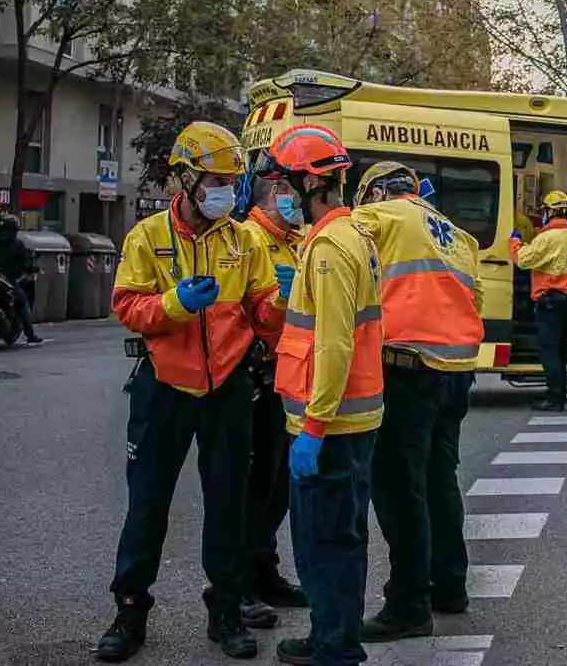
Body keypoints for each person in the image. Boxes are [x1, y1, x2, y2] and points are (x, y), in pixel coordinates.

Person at [98, 122, 288, 662]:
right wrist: (175, 304)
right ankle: (129, 614)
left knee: (228, 505)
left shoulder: (244, 239)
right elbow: (127, 308)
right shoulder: (148, 237)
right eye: (213, 179)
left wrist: (281, 306)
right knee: (148, 505)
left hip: (227, 387)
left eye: (231, 180)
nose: (224, 190)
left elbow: (261, 313)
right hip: (164, 388)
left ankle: (226, 614)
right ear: (183, 178)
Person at [262, 124, 384, 666]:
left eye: (286, 183)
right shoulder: (346, 234)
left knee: (324, 544)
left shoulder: (331, 246)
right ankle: (337, 635)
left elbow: (333, 344)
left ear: (313, 184)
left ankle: (333, 645)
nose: (279, 194)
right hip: (348, 422)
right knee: (341, 538)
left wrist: (313, 426)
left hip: (330, 427)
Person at [351, 162, 484, 643]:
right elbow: (475, 301)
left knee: (398, 488)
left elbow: (340, 269)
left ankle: (408, 604)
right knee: (438, 479)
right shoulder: (456, 236)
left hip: (406, 369)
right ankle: (449, 586)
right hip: (455, 372)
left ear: (378, 193)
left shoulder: (378, 219)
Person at [239, 177, 308, 621]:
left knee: (278, 486)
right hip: (256, 373)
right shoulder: (250, 238)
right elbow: (248, 310)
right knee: (253, 485)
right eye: (286, 192)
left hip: (289, 373)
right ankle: (240, 583)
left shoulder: (294, 241)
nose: (295, 200)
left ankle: (266, 571)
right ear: (268, 198)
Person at [510, 190, 567, 412]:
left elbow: (523, 260)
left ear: (550, 211)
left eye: (545, 210)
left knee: (549, 351)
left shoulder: (547, 237)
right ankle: (558, 395)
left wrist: (515, 242)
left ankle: (554, 399)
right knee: (559, 351)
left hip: (550, 301)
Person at [0, 213, 42, 345]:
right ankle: (30, 335)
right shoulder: (17, 245)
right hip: (6, 281)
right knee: (22, 303)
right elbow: (25, 264)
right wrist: (32, 267)